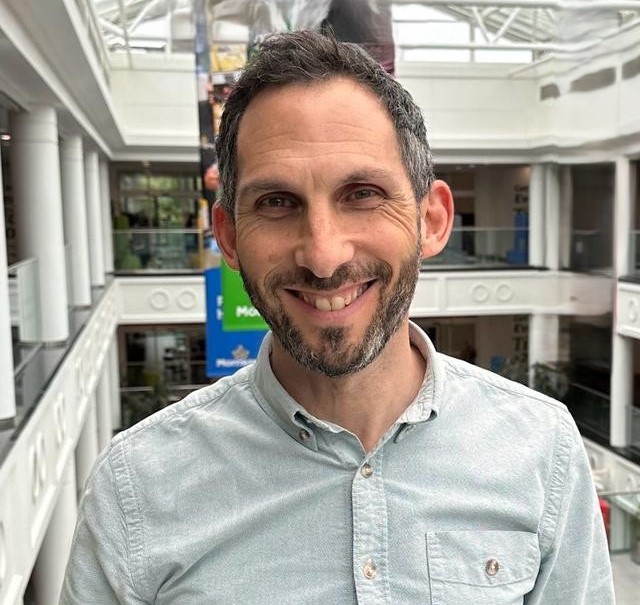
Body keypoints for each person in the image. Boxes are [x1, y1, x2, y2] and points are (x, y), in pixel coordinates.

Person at [60, 31, 614, 604]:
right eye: (277, 203)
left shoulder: (541, 449)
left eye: (363, 194)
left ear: (431, 220)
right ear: (228, 236)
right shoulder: (136, 489)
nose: (323, 256)